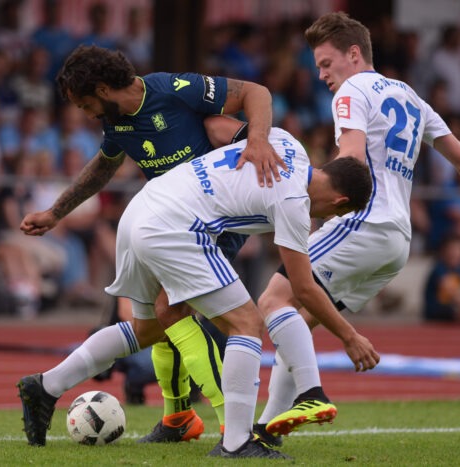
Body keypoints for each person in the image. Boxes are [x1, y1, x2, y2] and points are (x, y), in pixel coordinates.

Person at [21, 126, 375, 458]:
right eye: (334, 214)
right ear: (340, 201)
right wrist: (350, 337)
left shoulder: (285, 142)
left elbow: (218, 125)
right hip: (175, 227)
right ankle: (237, 442)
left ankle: (47, 385)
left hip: (143, 207)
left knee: (147, 330)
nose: (324, 217)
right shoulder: (294, 202)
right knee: (247, 324)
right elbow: (304, 289)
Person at [16, 44, 286, 447]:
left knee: (158, 322)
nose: (85, 114)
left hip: (209, 221)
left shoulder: (173, 90)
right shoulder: (116, 122)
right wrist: (56, 212)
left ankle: (54, 387)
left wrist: (258, 140)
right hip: (172, 224)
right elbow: (104, 165)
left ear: (103, 90)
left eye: (85, 104)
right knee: (185, 315)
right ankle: (233, 432)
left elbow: (255, 92)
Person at [253, 12, 460, 445]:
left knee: (274, 300)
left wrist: (303, 189)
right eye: (318, 67)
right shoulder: (411, 96)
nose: (322, 74)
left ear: (354, 54)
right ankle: (267, 430)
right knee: (300, 320)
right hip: (397, 241)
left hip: (363, 222)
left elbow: (351, 159)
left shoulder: (352, 91)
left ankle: (311, 396)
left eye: (326, 63)